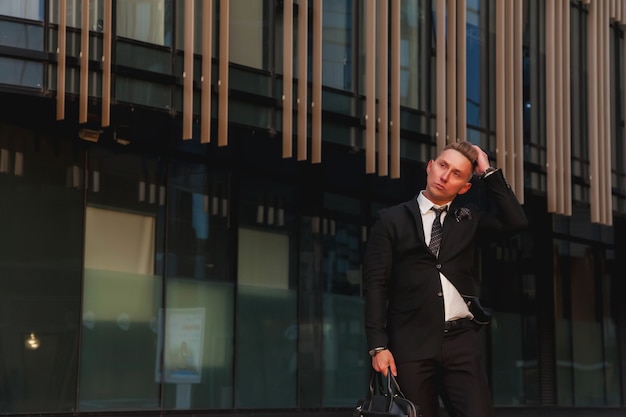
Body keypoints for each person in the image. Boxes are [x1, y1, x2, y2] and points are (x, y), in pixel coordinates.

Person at [363, 141, 528, 417]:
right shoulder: (391, 220)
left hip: (461, 341)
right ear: (430, 167)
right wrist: (378, 346)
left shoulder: (470, 219)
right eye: (442, 166)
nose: (444, 176)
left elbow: (516, 223)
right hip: (410, 344)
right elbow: (375, 285)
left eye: (456, 173)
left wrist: (487, 172)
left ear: (465, 187)